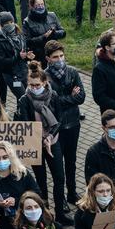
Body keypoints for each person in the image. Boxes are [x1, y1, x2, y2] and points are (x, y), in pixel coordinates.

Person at [17, 62, 70, 222]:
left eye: (37, 85)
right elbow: (26, 124)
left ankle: (60, 212)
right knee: (41, 181)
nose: (34, 88)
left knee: (59, 177)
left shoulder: (52, 96)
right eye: (31, 85)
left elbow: (59, 119)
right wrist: (41, 139)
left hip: (53, 141)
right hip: (35, 144)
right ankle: (44, 212)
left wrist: (49, 137)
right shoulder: (24, 100)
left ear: (45, 83)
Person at [44, 40, 84, 203]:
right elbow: (50, 104)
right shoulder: (44, 76)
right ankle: (60, 201)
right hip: (55, 128)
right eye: (55, 57)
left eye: (61, 55)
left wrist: (66, 98)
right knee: (58, 168)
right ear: (47, 58)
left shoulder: (72, 72)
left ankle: (72, 193)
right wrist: (71, 97)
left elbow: (81, 97)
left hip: (73, 123)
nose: (59, 59)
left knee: (71, 161)